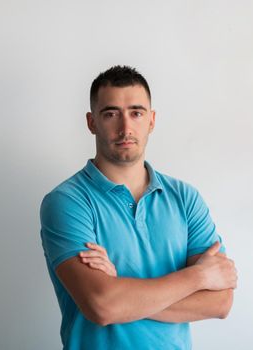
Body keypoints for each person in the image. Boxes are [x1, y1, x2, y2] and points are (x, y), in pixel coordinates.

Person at [40, 65, 237, 350]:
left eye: (136, 113)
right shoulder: (67, 201)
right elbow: (102, 305)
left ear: (152, 120)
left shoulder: (185, 198)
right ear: (91, 122)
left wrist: (120, 288)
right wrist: (199, 276)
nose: (125, 128)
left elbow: (220, 302)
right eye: (110, 114)